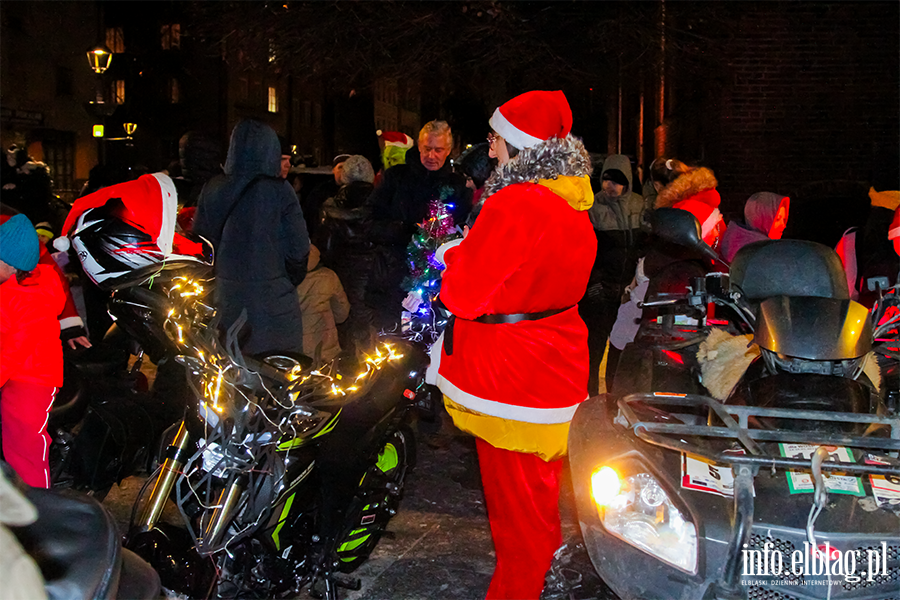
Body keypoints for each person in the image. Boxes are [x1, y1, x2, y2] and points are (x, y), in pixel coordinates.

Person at [436, 90, 596, 600]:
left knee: (515, 518)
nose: (489, 146)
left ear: (519, 146)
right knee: (537, 503)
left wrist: (452, 255)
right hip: (551, 368)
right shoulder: (570, 201)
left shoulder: (516, 202)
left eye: (496, 137)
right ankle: (541, 582)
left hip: (511, 377)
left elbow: (462, 294)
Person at [194, 120, 310, 356]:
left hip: (227, 299)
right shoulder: (280, 191)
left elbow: (201, 245)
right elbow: (299, 248)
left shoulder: (213, 188)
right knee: (277, 373)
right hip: (273, 301)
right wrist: (288, 279)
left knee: (229, 370)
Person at [369, 121, 471, 326]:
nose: (431, 156)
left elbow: (461, 231)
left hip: (436, 283)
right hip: (393, 277)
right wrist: (405, 232)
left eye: (438, 150)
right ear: (418, 147)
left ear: (448, 151)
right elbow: (371, 219)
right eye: (427, 149)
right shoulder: (396, 178)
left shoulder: (456, 186)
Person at [0, 214, 66, 488]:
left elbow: (15, 346)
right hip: (21, 376)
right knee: (17, 444)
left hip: (32, 379)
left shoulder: (28, 298)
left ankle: (38, 507)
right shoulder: (19, 289)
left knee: (26, 448)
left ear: (10, 264)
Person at [580, 154, 646, 395]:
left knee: (623, 349)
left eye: (617, 180)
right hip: (601, 291)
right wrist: (595, 284)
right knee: (593, 349)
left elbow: (644, 247)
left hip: (630, 292)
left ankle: (616, 399)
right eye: (606, 179)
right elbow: (586, 250)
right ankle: (589, 398)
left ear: (627, 182)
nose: (611, 185)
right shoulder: (592, 207)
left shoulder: (639, 205)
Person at [315, 155, 378, 356]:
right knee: (369, 327)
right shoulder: (381, 205)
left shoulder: (331, 207)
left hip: (342, 275)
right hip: (374, 274)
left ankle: (348, 371)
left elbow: (325, 247)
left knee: (343, 324)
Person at [296, 245, 350, 362]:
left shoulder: (279, 281)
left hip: (294, 351)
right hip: (326, 350)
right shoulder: (329, 277)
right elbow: (342, 314)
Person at [719, 192, 790, 262]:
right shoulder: (761, 252)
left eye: (784, 219)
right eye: (777, 219)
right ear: (761, 218)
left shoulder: (736, 240)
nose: (783, 225)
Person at [301, 154, 350, 239]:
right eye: (340, 167)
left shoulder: (355, 192)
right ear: (333, 170)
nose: (343, 171)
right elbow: (310, 216)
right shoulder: (321, 191)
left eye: (347, 168)